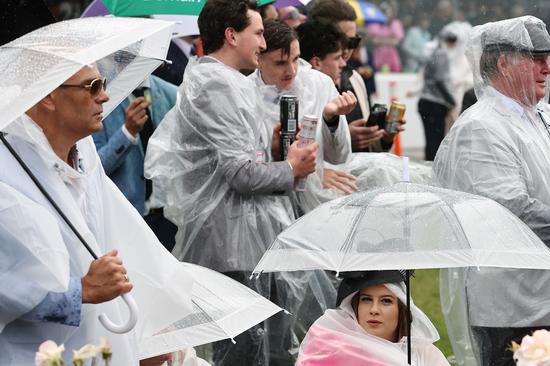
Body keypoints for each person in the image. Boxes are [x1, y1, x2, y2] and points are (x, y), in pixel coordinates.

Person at [432, 16, 550, 365]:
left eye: (549, 58)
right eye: (536, 58)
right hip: (514, 306)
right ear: (503, 62)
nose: (547, 68)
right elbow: (510, 208)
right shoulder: (481, 127)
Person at [144, 1, 318, 364]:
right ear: (231, 35)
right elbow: (239, 175)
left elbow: (230, 160)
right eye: (257, 33)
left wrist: (269, 149)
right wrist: (291, 168)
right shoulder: (216, 85)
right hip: (231, 244)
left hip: (239, 240)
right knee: (243, 355)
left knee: (259, 350)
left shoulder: (222, 81)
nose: (262, 43)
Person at [0, 63, 201, 366]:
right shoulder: (9, 172)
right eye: (92, 87)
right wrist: (79, 292)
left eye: (103, 83)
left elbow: (127, 239)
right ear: (48, 96)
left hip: (103, 344)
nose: (105, 97)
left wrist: (150, 330)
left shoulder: (84, 153)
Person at [251, 19, 357, 212]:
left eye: (295, 59)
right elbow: (241, 170)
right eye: (280, 63)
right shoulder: (245, 93)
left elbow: (340, 156)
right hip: (268, 206)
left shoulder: (319, 84)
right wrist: (273, 153)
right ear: (258, 59)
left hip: (317, 206)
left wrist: (331, 120)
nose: (291, 70)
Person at [92, 75, 178, 250]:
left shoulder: (172, 93)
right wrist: (128, 132)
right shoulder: (103, 100)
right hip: (126, 220)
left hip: (167, 216)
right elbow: (95, 167)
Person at [296, 271, 449, 366]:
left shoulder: (424, 354)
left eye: (386, 301)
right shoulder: (329, 346)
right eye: (366, 300)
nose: (374, 310)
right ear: (355, 306)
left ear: (401, 309)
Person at [310, 0, 399, 153]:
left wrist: (384, 136)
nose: (346, 49)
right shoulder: (301, 81)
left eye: (352, 41)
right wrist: (343, 138)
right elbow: (294, 149)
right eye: (339, 41)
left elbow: (370, 151)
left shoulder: (355, 78)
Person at [414, 30, 457, 161]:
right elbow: (440, 80)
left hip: (425, 101)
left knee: (429, 140)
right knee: (437, 141)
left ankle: (428, 169)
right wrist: (451, 100)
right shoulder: (442, 54)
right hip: (436, 103)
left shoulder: (431, 53)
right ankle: (434, 171)